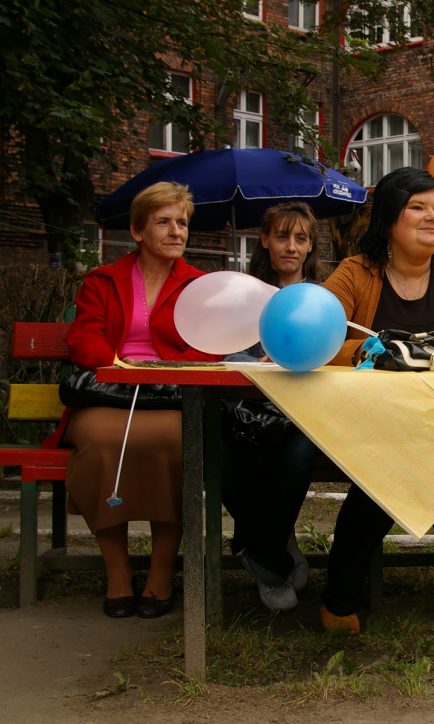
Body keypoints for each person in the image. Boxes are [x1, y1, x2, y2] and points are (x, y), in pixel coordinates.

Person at [319, 167, 434, 635]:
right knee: (405, 466)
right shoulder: (354, 272)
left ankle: (340, 598)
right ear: (389, 218)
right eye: (418, 207)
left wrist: (403, 355)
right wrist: (370, 352)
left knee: (415, 466)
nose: (432, 218)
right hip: (365, 422)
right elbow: (316, 339)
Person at [62, 181, 220, 618]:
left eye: (182, 223)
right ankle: (116, 573)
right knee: (99, 443)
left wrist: (160, 373)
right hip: (108, 397)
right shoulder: (102, 281)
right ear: (137, 231)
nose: (176, 232)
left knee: (172, 444)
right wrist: (120, 366)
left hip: (171, 401)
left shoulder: (200, 287)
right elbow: (84, 337)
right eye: (163, 222)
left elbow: (209, 347)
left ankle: (161, 573)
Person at [221, 202, 322, 612]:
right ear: (264, 240)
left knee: (298, 455)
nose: (291, 247)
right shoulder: (240, 297)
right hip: (241, 414)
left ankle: (260, 549)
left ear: (311, 246)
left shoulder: (319, 299)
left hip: (299, 418)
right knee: (223, 457)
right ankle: (276, 548)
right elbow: (220, 353)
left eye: (301, 239)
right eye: (282, 236)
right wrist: (253, 362)